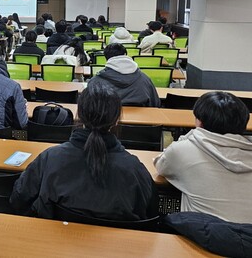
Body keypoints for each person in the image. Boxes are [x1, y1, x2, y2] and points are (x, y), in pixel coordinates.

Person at [10, 85, 158, 221]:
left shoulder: (50, 159)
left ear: (80, 115)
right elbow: (152, 216)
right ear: (116, 121)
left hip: (57, 240)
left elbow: (19, 199)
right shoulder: (135, 170)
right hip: (118, 242)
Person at [155, 92, 252, 223]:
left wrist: (193, 135)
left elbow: (160, 165)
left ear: (199, 123)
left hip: (202, 232)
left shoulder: (182, 151)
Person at [88, 43, 160, 107]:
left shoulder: (95, 81)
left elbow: (89, 106)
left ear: (106, 58)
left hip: (108, 117)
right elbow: (155, 104)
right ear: (125, 54)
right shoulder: (144, 79)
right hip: (140, 117)